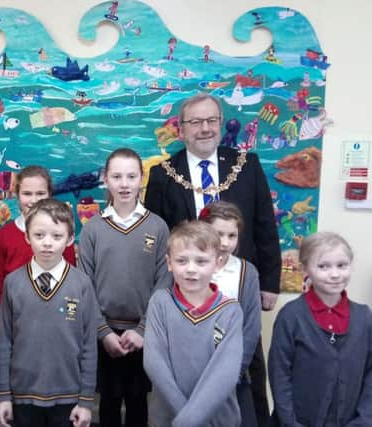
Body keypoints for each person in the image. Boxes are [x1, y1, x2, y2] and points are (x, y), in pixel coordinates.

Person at [144, 92, 280, 425]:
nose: (205, 129)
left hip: (237, 286)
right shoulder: (163, 174)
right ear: (181, 129)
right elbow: (158, 236)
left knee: (246, 372)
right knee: (189, 369)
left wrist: (271, 283)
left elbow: (265, 224)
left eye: (212, 121)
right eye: (195, 122)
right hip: (186, 293)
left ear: (220, 123)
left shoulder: (246, 165)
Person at [78, 148, 172, 427]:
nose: (124, 183)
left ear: (141, 179)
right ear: (105, 180)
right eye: (117, 176)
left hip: (144, 334)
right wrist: (103, 332)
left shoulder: (158, 227)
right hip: (104, 334)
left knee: (138, 403)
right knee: (107, 402)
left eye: (131, 176)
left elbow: (164, 282)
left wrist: (143, 330)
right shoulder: (93, 229)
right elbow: (85, 285)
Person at [0, 199, 97, 427]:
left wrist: (86, 400)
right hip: (23, 397)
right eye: (39, 235)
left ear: (70, 239)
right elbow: (5, 343)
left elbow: (89, 344)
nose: (47, 243)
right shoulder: (12, 283)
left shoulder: (82, 284)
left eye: (56, 236)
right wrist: (3, 396)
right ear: (27, 237)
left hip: (69, 397)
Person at [268, 232, 372, 426]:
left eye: (341, 265)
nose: (334, 274)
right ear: (305, 269)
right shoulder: (291, 316)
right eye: (323, 266)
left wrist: (364, 420)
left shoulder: (365, 318)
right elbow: (279, 376)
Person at [144, 221, 243, 427]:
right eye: (181, 261)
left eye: (201, 261)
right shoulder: (160, 302)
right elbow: (154, 363)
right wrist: (187, 420)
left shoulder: (230, 311)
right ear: (169, 263)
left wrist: (190, 420)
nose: (191, 269)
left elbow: (225, 374)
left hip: (218, 421)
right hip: (167, 420)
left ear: (217, 263)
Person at [0, 166, 76, 360]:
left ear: (50, 194)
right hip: (15, 330)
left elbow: (72, 286)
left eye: (40, 193)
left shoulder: (62, 235)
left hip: (57, 329)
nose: (34, 200)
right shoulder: (5, 236)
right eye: (27, 193)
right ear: (17, 195)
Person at [199, 201, 261, 427]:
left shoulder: (247, 273)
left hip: (232, 371)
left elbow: (251, 328)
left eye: (232, 236)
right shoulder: (189, 268)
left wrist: (234, 371)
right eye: (218, 234)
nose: (225, 243)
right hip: (193, 369)